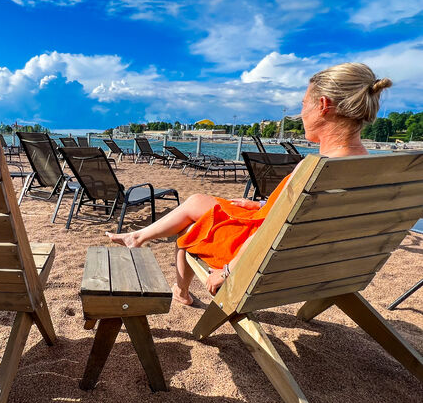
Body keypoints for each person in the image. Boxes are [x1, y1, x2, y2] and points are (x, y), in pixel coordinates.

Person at [107, 62, 392, 305]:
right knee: (196, 201)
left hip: (266, 259)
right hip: (325, 265)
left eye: (303, 104)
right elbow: (303, 218)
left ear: (323, 106)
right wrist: (261, 204)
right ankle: (141, 238)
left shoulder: (316, 169)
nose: (300, 113)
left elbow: (274, 231)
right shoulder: (372, 168)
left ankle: (177, 287)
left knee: (193, 228)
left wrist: (229, 270)